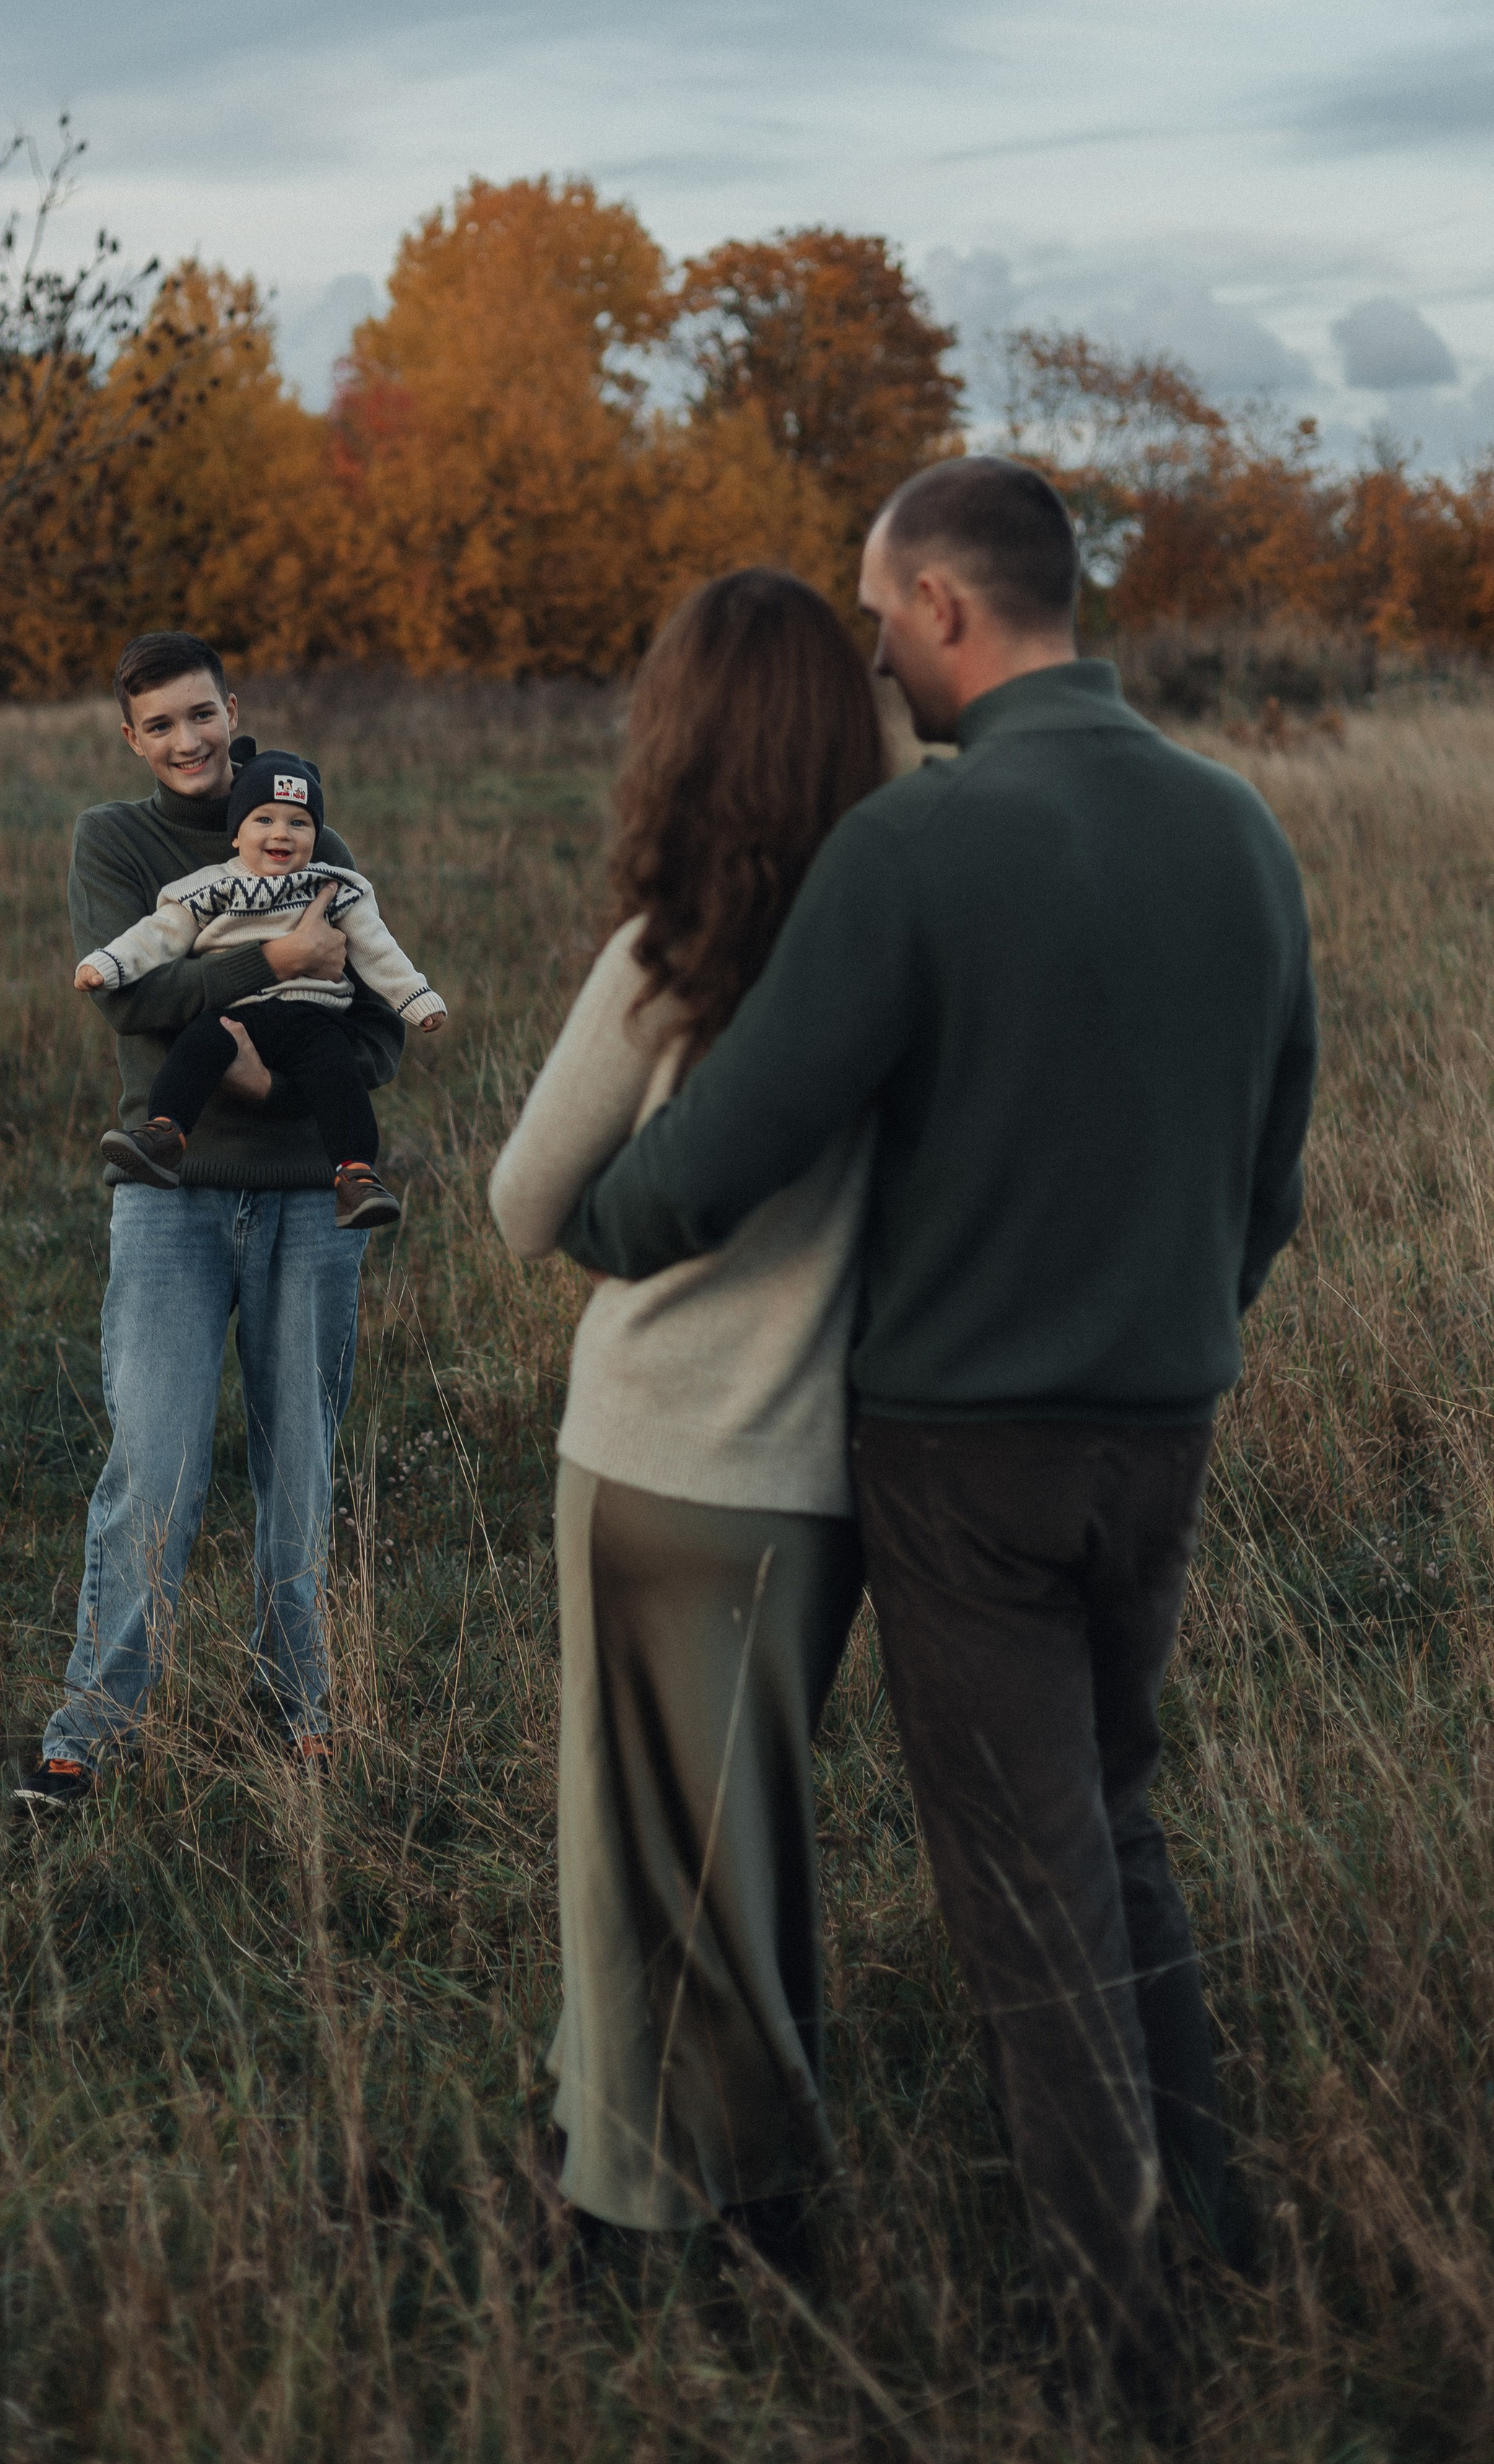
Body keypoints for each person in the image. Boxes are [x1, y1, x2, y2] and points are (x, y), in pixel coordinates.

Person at [559, 460, 1318, 2384]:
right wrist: (1170, 1335)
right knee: (1117, 1822)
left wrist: (604, 1221)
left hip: (965, 1451)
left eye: (885, 614)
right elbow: (1273, 1174)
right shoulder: (1242, 832)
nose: (873, 652)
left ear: (952, 611)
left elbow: (721, 1148)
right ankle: (1213, 2218)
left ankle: (1118, 2341)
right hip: (1164, 1424)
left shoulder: (926, 845)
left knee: (1026, 1891)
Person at [488, 569, 886, 2263]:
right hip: (826, 1484)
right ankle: (663, 2146)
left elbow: (519, 1204)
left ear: (682, 738)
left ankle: (654, 2207)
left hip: (659, 1465)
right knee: (743, 1838)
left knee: (636, 1858)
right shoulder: (901, 949)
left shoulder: (669, 963)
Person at [16, 632, 405, 1808]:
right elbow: (126, 991)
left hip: (305, 1198)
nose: (190, 741)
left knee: (299, 1464)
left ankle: (301, 1710)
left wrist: (274, 1079)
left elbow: (374, 1032)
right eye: (162, 726)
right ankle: (94, 1723)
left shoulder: (310, 837)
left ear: (234, 710)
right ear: (133, 740)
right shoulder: (117, 840)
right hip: (170, 1199)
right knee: (158, 1462)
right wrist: (278, 962)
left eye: (204, 715)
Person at [75, 747, 447, 1230]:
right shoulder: (209, 886)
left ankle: (355, 1176)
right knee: (198, 1046)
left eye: (299, 823)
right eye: (264, 819)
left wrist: (418, 1001)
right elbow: (158, 934)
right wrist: (107, 964)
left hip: (314, 1017)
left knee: (337, 1073)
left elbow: (378, 949)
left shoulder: (335, 887)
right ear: (235, 833)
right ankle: (164, 1134)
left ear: (318, 835)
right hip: (236, 1012)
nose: (281, 834)